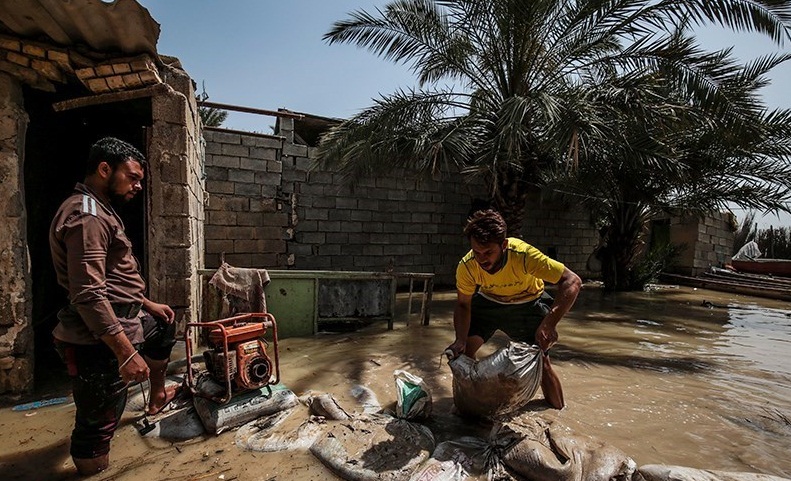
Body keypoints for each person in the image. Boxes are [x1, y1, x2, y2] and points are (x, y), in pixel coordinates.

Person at [49, 137, 179, 475]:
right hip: (98, 338)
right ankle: (94, 471)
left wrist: (147, 303)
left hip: (129, 317)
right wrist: (125, 352)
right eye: (132, 177)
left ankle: (156, 396)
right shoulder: (87, 216)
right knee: (97, 429)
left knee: (164, 324)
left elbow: (112, 276)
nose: (137, 186)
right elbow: (89, 293)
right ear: (105, 169)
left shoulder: (102, 210)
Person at [446, 209, 581, 409]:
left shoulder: (524, 255)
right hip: (489, 302)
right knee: (464, 352)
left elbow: (572, 281)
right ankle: (469, 406)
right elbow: (463, 304)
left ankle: (559, 413)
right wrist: (460, 339)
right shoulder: (467, 266)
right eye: (477, 253)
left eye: (488, 252)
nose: (482, 260)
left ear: (504, 245)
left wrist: (549, 324)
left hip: (527, 304)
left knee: (541, 362)